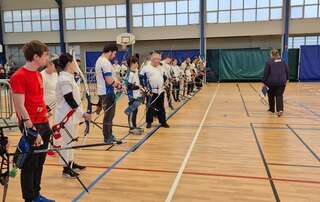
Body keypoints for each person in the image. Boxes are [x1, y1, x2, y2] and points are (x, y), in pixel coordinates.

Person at [10, 40, 55, 202]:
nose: (47, 59)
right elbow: (20, 106)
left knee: (39, 163)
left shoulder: (37, 74)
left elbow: (37, 100)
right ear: (36, 57)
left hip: (43, 123)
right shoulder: (19, 76)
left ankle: (36, 194)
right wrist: (32, 129)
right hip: (31, 126)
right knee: (30, 165)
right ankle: (30, 198)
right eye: (45, 55)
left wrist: (45, 112)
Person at [55, 53, 90, 178]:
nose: (76, 65)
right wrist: (83, 114)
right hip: (66, 116)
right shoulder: (64, 79)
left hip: (72, 116)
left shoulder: (69, 77)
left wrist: (81, 113)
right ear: (69, 64)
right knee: (66, 142)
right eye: (74, 62)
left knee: (72, 141)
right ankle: (66, 169)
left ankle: (71, 163)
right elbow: (70, 99)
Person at [95, 43, 122, 144]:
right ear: (110, 52)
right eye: (114, 54)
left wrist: (117, 82)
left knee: (109, 116)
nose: (114, 56)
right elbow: (109, 80)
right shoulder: (104, 62)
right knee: (109, 116)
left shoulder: (101, 60)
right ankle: (107, 137)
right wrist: (118, 85)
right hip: (107, 92)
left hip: (105, 92)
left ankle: (109, 135)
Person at [140, 51, 169, 129]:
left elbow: (164, 77)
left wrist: (165, 82)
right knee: (150, 107)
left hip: (160, 91)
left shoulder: (161, 67)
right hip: (151, 91)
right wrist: (145, 89)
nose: (159, 61)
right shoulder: (146, 68)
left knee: (161, 107)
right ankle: (149, 122)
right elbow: (141, 79)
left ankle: (163, 122)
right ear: (153, 59)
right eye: (157, 59)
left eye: (159, 59)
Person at [262, 49, 289, 117]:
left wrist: (263, 82)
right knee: (279, 95)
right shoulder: (283, 61)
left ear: (271, 54)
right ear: (278, 54)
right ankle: (280, 110)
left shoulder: (269, 62)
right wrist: (287, 79)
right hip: (282, 82)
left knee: (270, 95)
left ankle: (272, 109)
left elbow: (266, 73)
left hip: (271, 82)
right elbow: (287, 70)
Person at [125, 56, 143, 134]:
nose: (137, 64)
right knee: (132, 112)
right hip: (132, 97)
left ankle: (134, 126)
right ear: (132, 64)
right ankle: (131, 128)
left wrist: (140, 87)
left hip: (137, 96)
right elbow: (128, 86)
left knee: (135, 111)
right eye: (136, 63)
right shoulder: (130, 74)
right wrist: (137, 87)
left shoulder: (135, 72)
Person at [40, 54, 59, 124]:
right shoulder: (41, 75)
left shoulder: (56, 74)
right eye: (55, 65)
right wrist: (45, 110)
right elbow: (39, 94)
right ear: (49, 64)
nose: (57, 67)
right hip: (47, 109)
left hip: (56, 107)